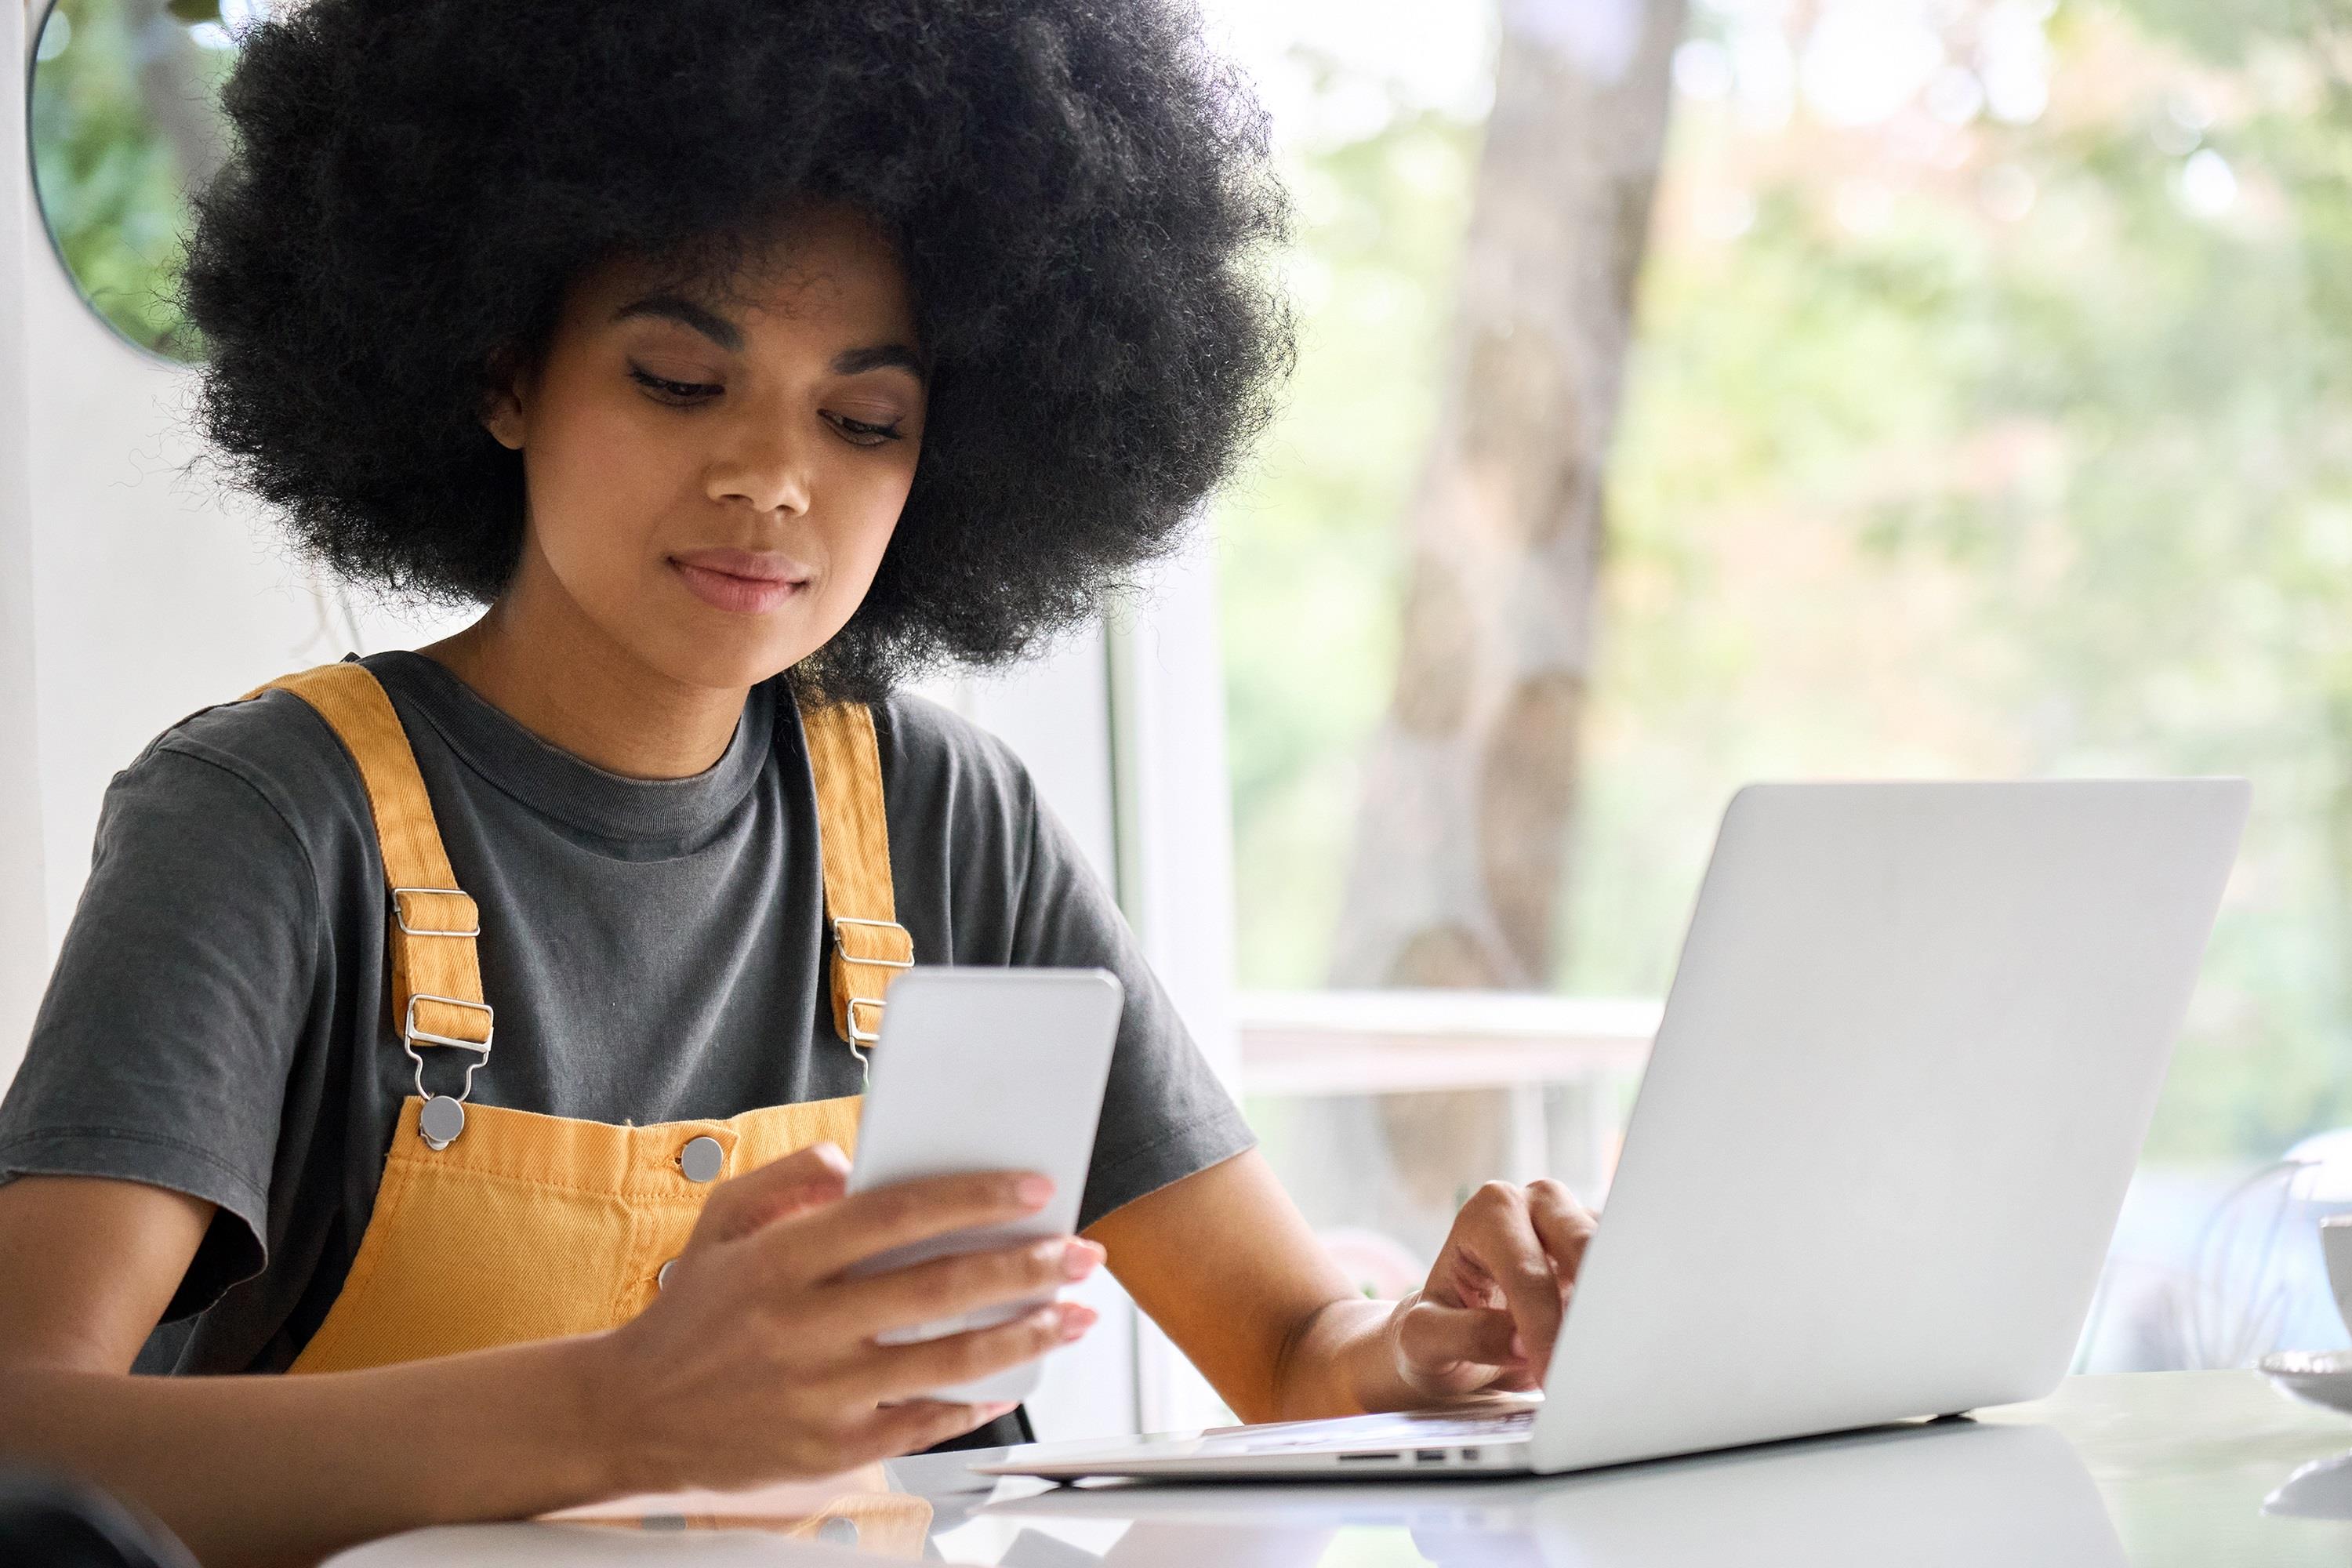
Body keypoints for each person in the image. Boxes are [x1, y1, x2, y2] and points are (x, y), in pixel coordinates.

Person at [0, 2, 1598, 1563]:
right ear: (502, 371)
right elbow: (23, 1434)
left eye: (863, 417)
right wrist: (623, 1408)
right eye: (680, 382)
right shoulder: (270, 817)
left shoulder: (943, 821)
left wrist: (1431, 1348)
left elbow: (1295, 1351)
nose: (771, 476)